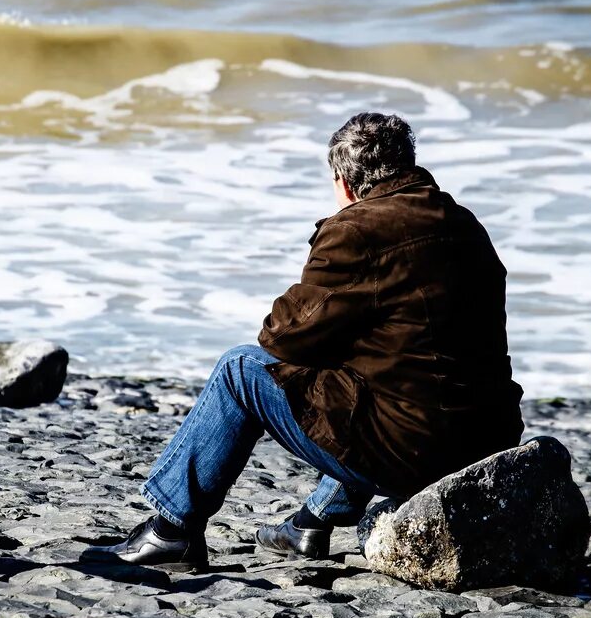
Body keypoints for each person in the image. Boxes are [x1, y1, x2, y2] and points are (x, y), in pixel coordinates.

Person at [82, 112, 524, 570]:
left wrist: (338, 230)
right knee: (380, 378)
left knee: (240, 369)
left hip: (415, 454)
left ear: (344, 181)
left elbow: (281, 337)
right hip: (485, 441)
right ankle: (311, 522)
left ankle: (170, 531)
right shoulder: (464, 223)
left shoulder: (358, 229)